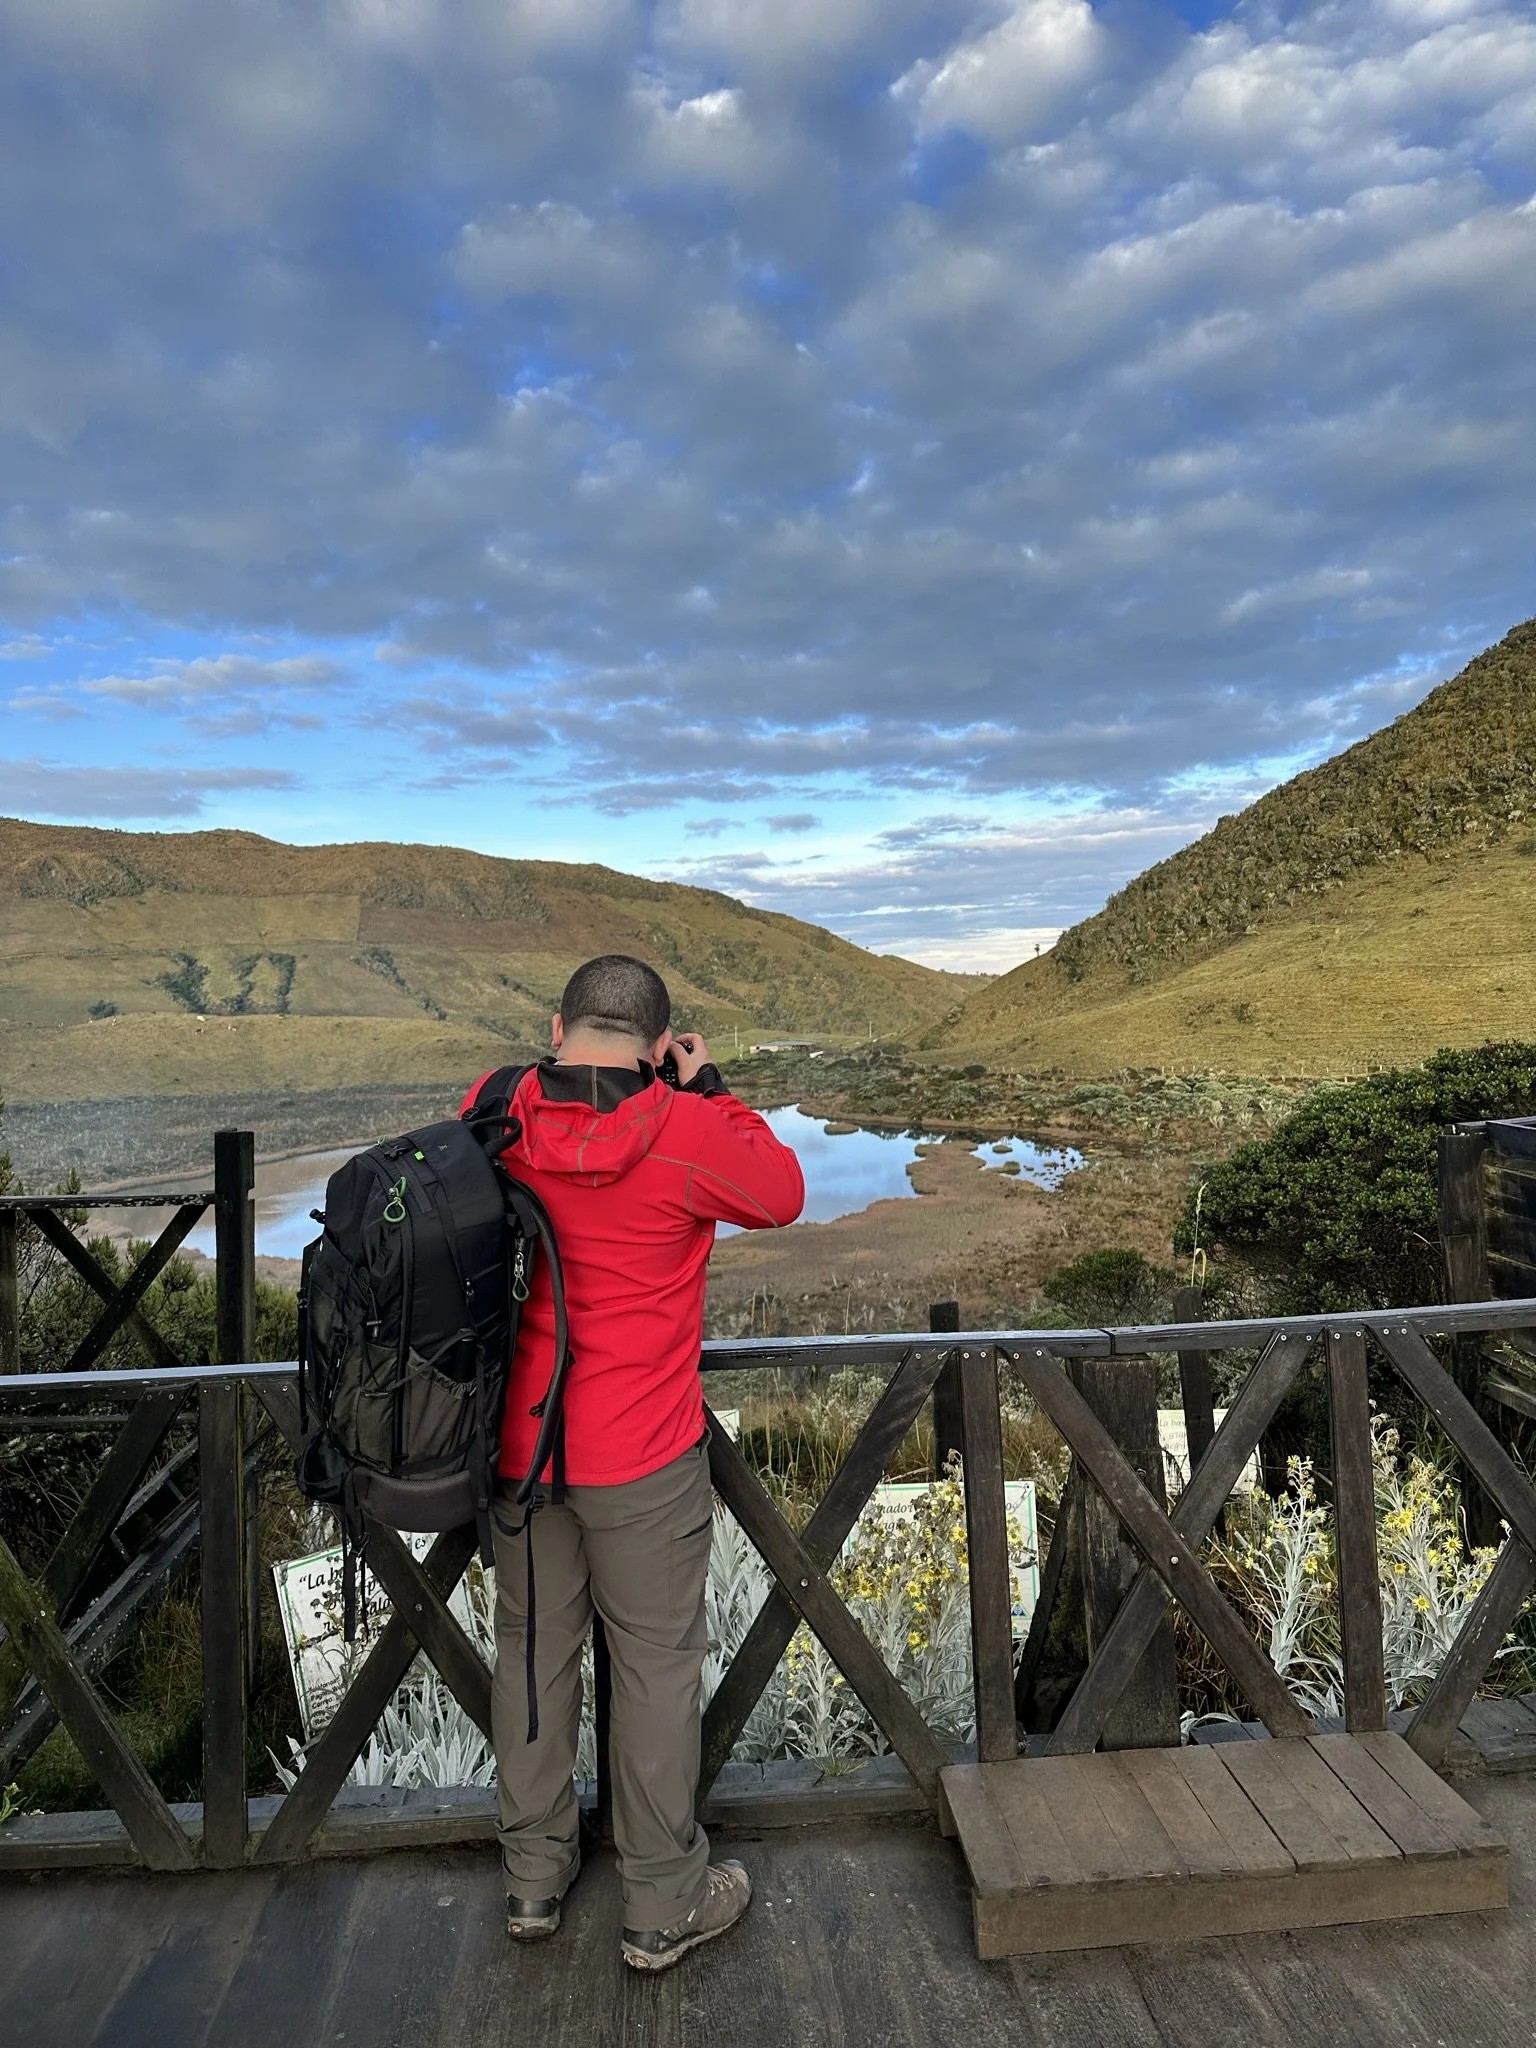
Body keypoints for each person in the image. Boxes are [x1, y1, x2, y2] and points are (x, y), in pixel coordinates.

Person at [462, 954, 805, 1973]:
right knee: (654, 1671)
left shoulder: (500, 1106)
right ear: (661, 1044)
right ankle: (661, 1899)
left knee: (531, 1656)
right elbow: (780, 1190)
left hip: (521, 1449)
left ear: (558, 1025)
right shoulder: (689, 1124)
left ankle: (533, 1877)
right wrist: (709, 1087)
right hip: (643, 1456)